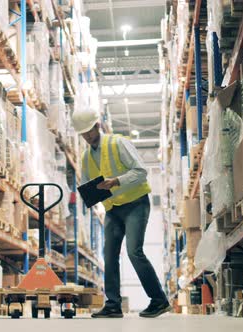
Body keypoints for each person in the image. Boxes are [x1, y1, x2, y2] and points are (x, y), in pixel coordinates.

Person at [72, 110, 171, 318]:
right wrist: (89, 196)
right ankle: (113, 305)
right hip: (113, 209)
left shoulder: (118, 143)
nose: (87, 137)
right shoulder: (85, 157)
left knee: (134, 251)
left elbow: (141, 171)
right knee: (109, 255)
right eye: (83, 134)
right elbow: (88, 184)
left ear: (97, 126)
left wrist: (116, 181)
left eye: (89, 131)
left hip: (136, 204)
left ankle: (159, 301)